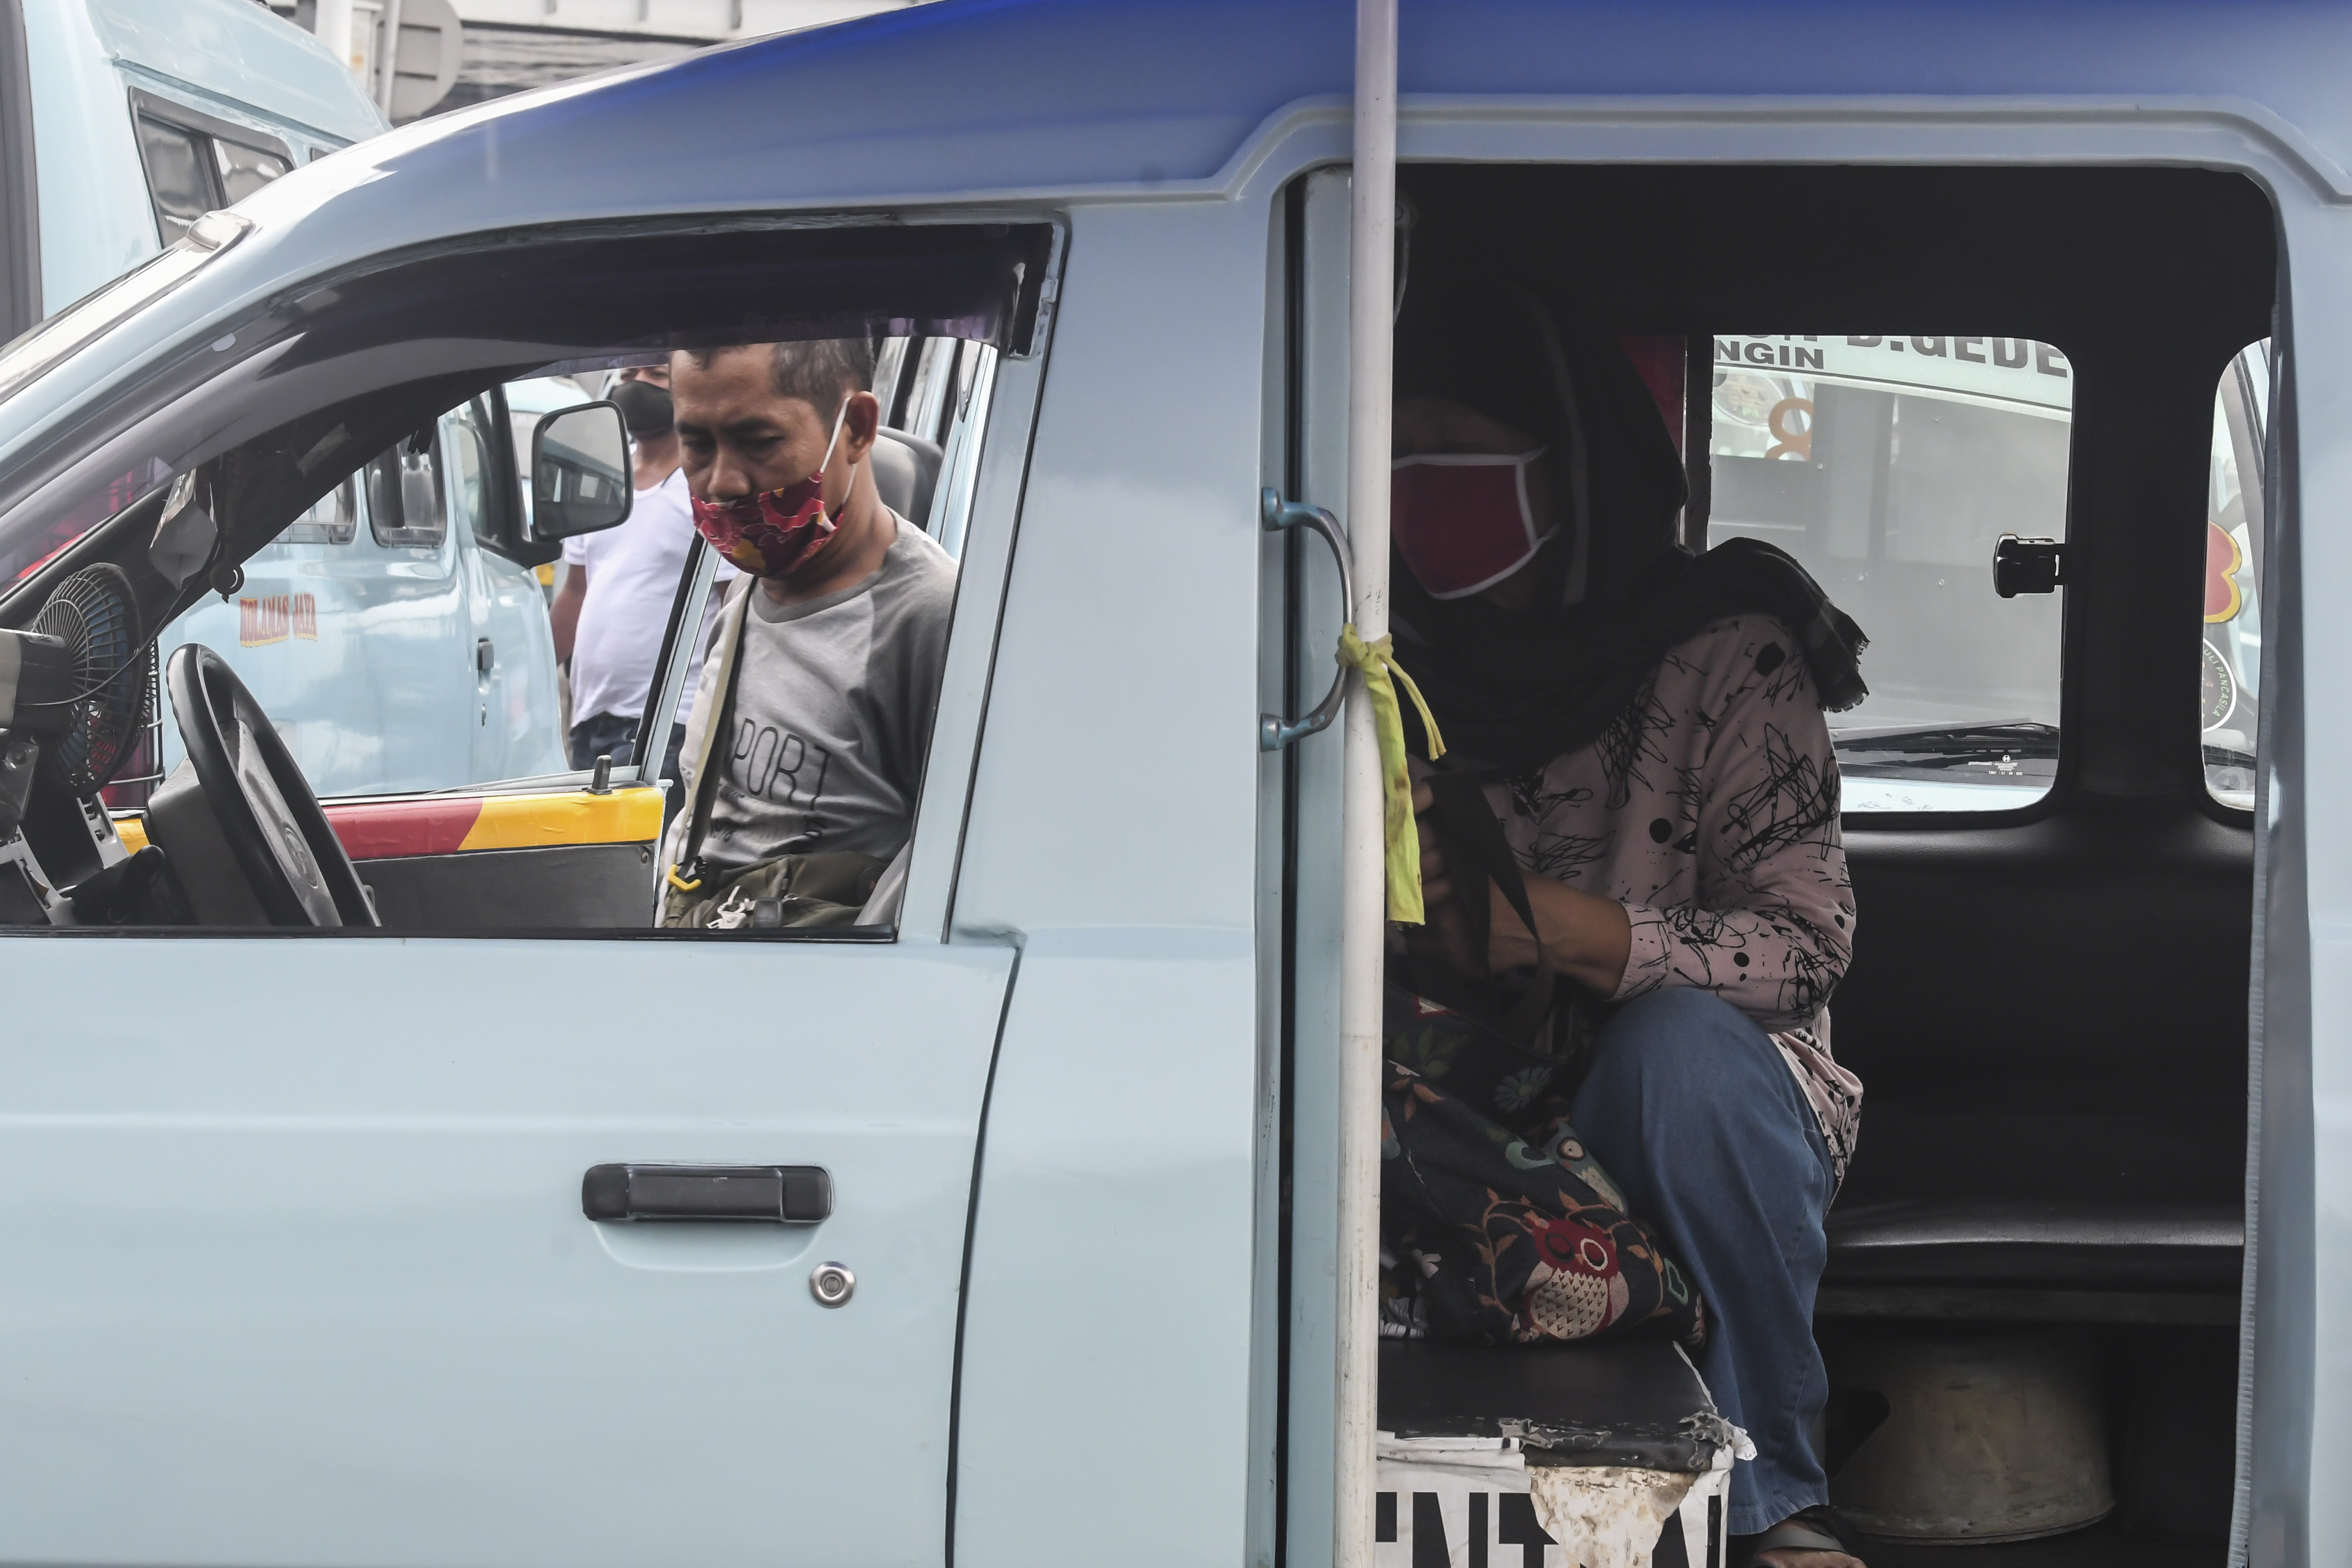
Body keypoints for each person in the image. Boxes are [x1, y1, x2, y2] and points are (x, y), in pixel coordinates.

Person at [1384, 287, 1869, 1568]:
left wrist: (1562, 932)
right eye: (1403, 453)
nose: (1429, 492)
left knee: (1672, 1055)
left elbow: (1805, 946)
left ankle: (1765, 1496)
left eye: (1465, 455)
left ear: (1581, 465)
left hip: (1714, 1094)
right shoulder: (1376, 663)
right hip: (1478, 1092)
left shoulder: (1728, 657)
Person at [659, 337, 954, 925]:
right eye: (695, 443)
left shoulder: (929, 619)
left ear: (857, 430)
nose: (722, 482)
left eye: (759, 442)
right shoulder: (748, 591)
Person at [550, 362, 700, 787]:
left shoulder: (701, 487)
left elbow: (731, 606)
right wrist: (531, 677)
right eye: (630, 373)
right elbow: (575, 594)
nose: (637, 386)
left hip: (667, 724)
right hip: (590, 720)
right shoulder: (601, 483)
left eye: (656, 374)